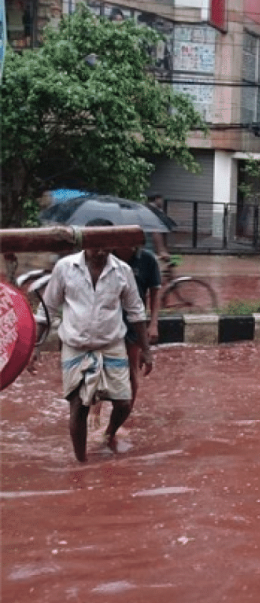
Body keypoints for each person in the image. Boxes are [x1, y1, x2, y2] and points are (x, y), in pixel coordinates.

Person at [35, 220, 153, 462]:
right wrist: (35, 347)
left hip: (111, 345)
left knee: (123, 402)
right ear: (85, 243)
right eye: (95, 245)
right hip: (75, 346)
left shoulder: (123, 271)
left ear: (114, 245)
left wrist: (146, 350)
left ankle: (109, 434)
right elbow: (47, 309)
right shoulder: (65, 267)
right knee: (79, 406)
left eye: (106, 246)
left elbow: (136, 312)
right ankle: (81, 462)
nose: (100, 251)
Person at [114, 244, 162, 409]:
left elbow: (155, 294)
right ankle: (95, 415)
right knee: (99, 369)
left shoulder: (147, 259)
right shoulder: (106, 258)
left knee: (131, 369)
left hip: (134, 322)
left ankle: (127, 413)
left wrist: (153, 324)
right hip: (107, 321)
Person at [145, 194, 171, 264]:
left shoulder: (143, 211)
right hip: (149, 252)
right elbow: (156, 233)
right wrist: (162, 251)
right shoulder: (154, 214)